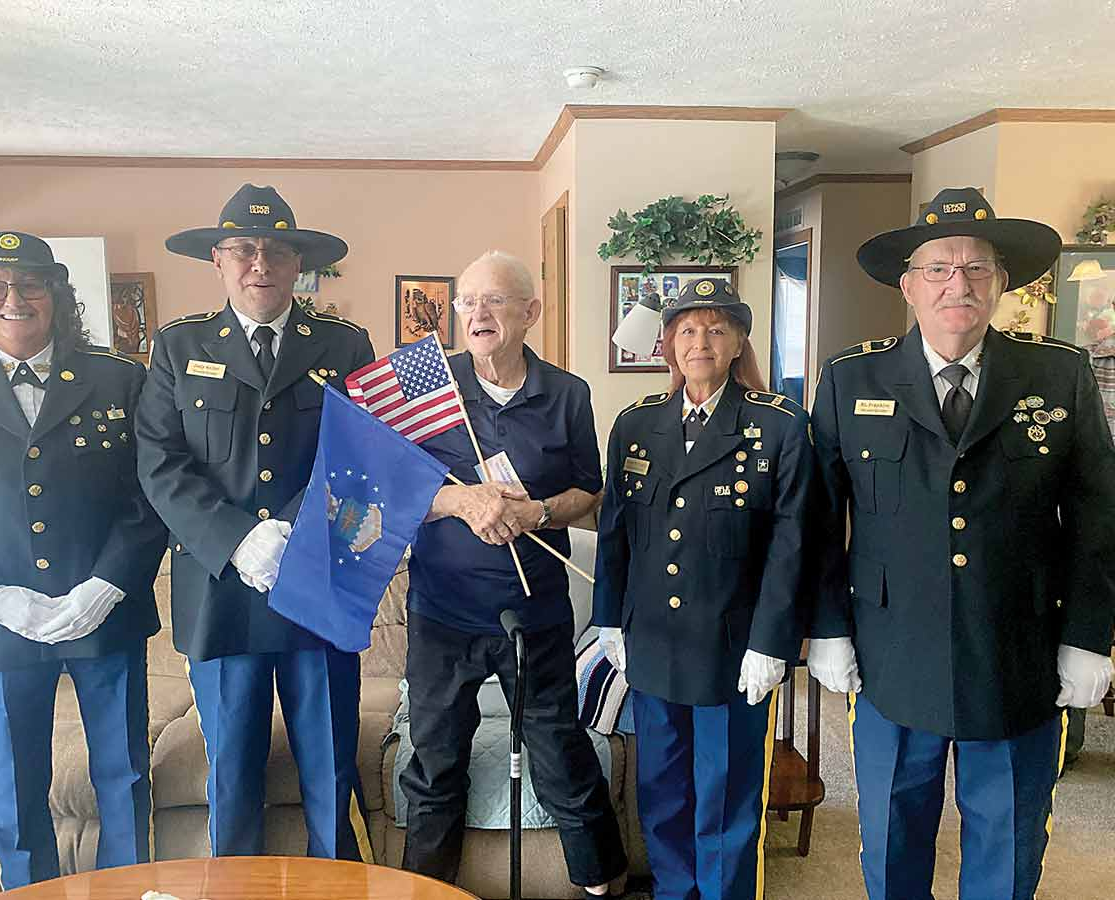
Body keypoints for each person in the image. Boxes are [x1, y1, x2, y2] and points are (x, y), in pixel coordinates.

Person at [807, 186, 1115, 900]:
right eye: (940, 268)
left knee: (1006, 849)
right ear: (909, 285)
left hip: (1017, 648)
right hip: (893, 650)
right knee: (891, 836)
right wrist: (827, 629)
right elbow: (821, 518)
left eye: (978, 268)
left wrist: (1090, 636)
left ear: (1003, 283)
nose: (959, 284)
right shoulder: (852, 377)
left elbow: (1098, 513)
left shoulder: (1057, 373)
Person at [0, 231, 165, 890]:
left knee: (124, 779)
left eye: (29, 284)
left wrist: (106, 585)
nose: (13, 299)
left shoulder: (119, 378)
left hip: (102, 615)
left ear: (56, 293)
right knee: (16, 792)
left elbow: (151, 492)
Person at [135, 184, 375, 860]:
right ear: (218, 259)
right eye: (244, 249)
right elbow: (159, 463)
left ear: (298, 264)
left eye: (276, 250)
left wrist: (289, 531)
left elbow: (357, 452)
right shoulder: (178, 348)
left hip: (317, 587)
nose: (260, 263)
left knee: (330, 773)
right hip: (221, 592)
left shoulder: (343, 343)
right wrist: (238, 538)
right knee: (233, 776)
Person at [399, 250, 627, 892]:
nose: (477, 313)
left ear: (530, 312)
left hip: (533, 614)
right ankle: (428, 892)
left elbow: (589, 493)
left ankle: (599, 882)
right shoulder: (428, 388)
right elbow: (389, 486)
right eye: (467, 301)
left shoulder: (568, 394)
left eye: (494, 300)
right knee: (436, 762)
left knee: (558, 751)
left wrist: (537, 512)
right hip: (441, 613)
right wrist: (462, 501)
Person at [593, 278, 811, 900]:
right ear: (665, 344)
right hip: (655, 642)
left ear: (739, 340)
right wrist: (611, 620)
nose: (700, 341)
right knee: (662, 791)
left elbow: (792, 543)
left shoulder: (777, 426)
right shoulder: (637, 425)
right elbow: (617, 533)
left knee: (726, 795)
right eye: (686, 329)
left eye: (716, 328)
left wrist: (773, 641)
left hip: (734, 648)